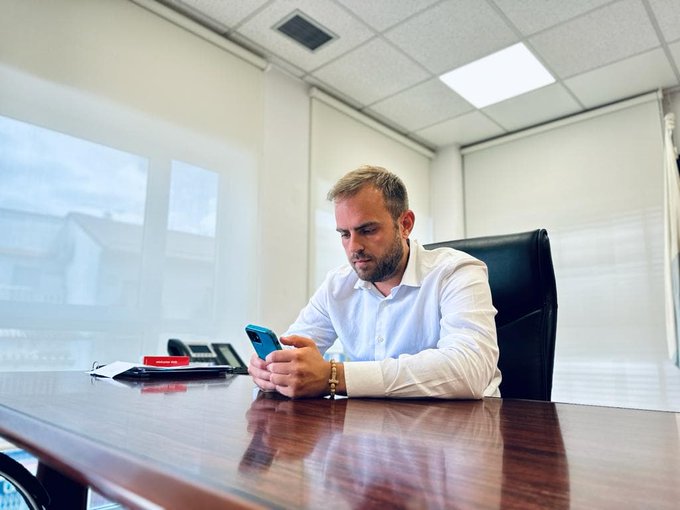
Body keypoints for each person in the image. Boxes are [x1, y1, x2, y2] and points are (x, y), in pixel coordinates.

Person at [249, 165, 501, 399]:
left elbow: (470, 370)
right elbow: (295, 353)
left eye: (368, 230)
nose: (354, 247)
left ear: (405, 224)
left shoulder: (457, 272)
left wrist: (334, 376)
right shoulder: (337, 285)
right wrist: (273, 368)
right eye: (345, 234)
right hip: (369, 429)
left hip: (464, 430)